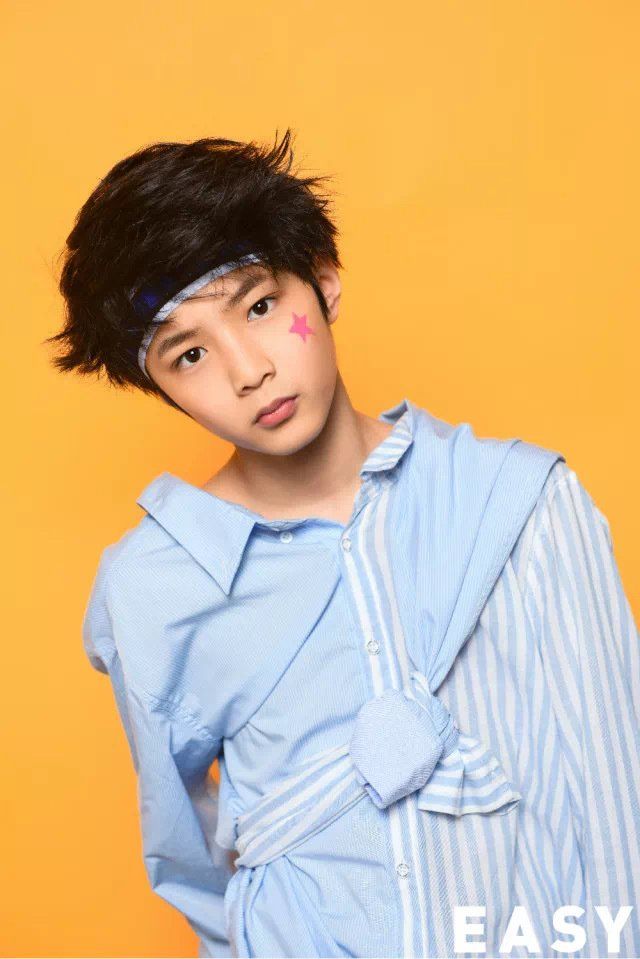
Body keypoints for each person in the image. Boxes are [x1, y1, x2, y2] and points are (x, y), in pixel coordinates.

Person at [46, 129, 640, 958]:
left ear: (324, 283)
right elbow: (186, 858)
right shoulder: (153, 586)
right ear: (164, 389)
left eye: (259, 307)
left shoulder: (523, 502)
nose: (247, 370)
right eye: (190, 354)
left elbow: (618, 795)